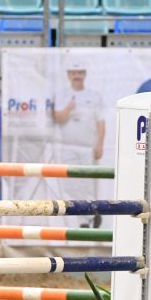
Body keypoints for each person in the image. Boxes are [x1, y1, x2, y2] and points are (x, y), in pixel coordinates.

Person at [52, 60, 105, 228]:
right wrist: (69, 108)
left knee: (88, 184)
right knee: (70, 184)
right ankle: (87, 216)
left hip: (87, 147)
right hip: (68, 147)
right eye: (74, 73)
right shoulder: (61, 95)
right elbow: (58, 118)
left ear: (84, 75)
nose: (77, 76)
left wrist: (99, 145)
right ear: (68, 76)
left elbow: (101, 122)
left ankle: (86, 220)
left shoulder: (94, 96)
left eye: (80, 73)